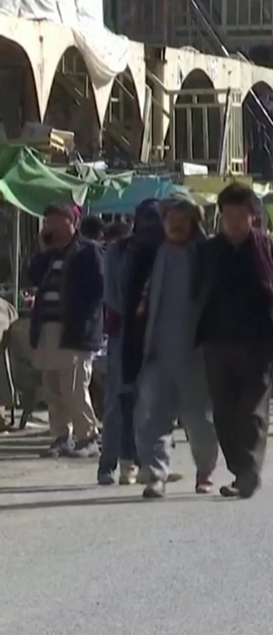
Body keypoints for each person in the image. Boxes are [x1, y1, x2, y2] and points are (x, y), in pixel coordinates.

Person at [194, 183, 273, 499]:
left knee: (251, 411)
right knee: (223, 413)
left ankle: (248, 471)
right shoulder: (209, 252)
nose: (234, 222)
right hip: (217, 343)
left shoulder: (268, 251)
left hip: (258, 343)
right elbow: (196, 291)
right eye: (228, 216)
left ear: (253, 217)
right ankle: (240, 469)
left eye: (240, 216)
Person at [124, 198, 220, 498]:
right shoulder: (150, 255)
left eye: (182, 220)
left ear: (194, 223)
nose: (175, 226)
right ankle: (155, 474)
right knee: (151, 416)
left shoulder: (206, 257)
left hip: (196, 355)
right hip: (155, 353)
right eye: (171, 220)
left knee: (198, 419)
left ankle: (204, 471)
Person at [28, 204, 105, 458]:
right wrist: (43, 250)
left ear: (73, 222)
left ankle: (89, 436)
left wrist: (83, 318)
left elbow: (99, 290)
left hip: (74, 331)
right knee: (52, 388)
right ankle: (61, 436)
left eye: (58, 223)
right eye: (49, 223)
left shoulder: (88, 251)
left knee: (74, 387)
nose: (53, 228)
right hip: (47, 329)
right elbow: (34, 277)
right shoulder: (50, 255)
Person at [97, 201, 158, 486]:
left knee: (152, 401)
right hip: (124, 334)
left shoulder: (166, 249)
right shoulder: (119, 250)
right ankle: (109, 464)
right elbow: (113, 296)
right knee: (120, 400)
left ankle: (148, 462)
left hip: (158, 335)